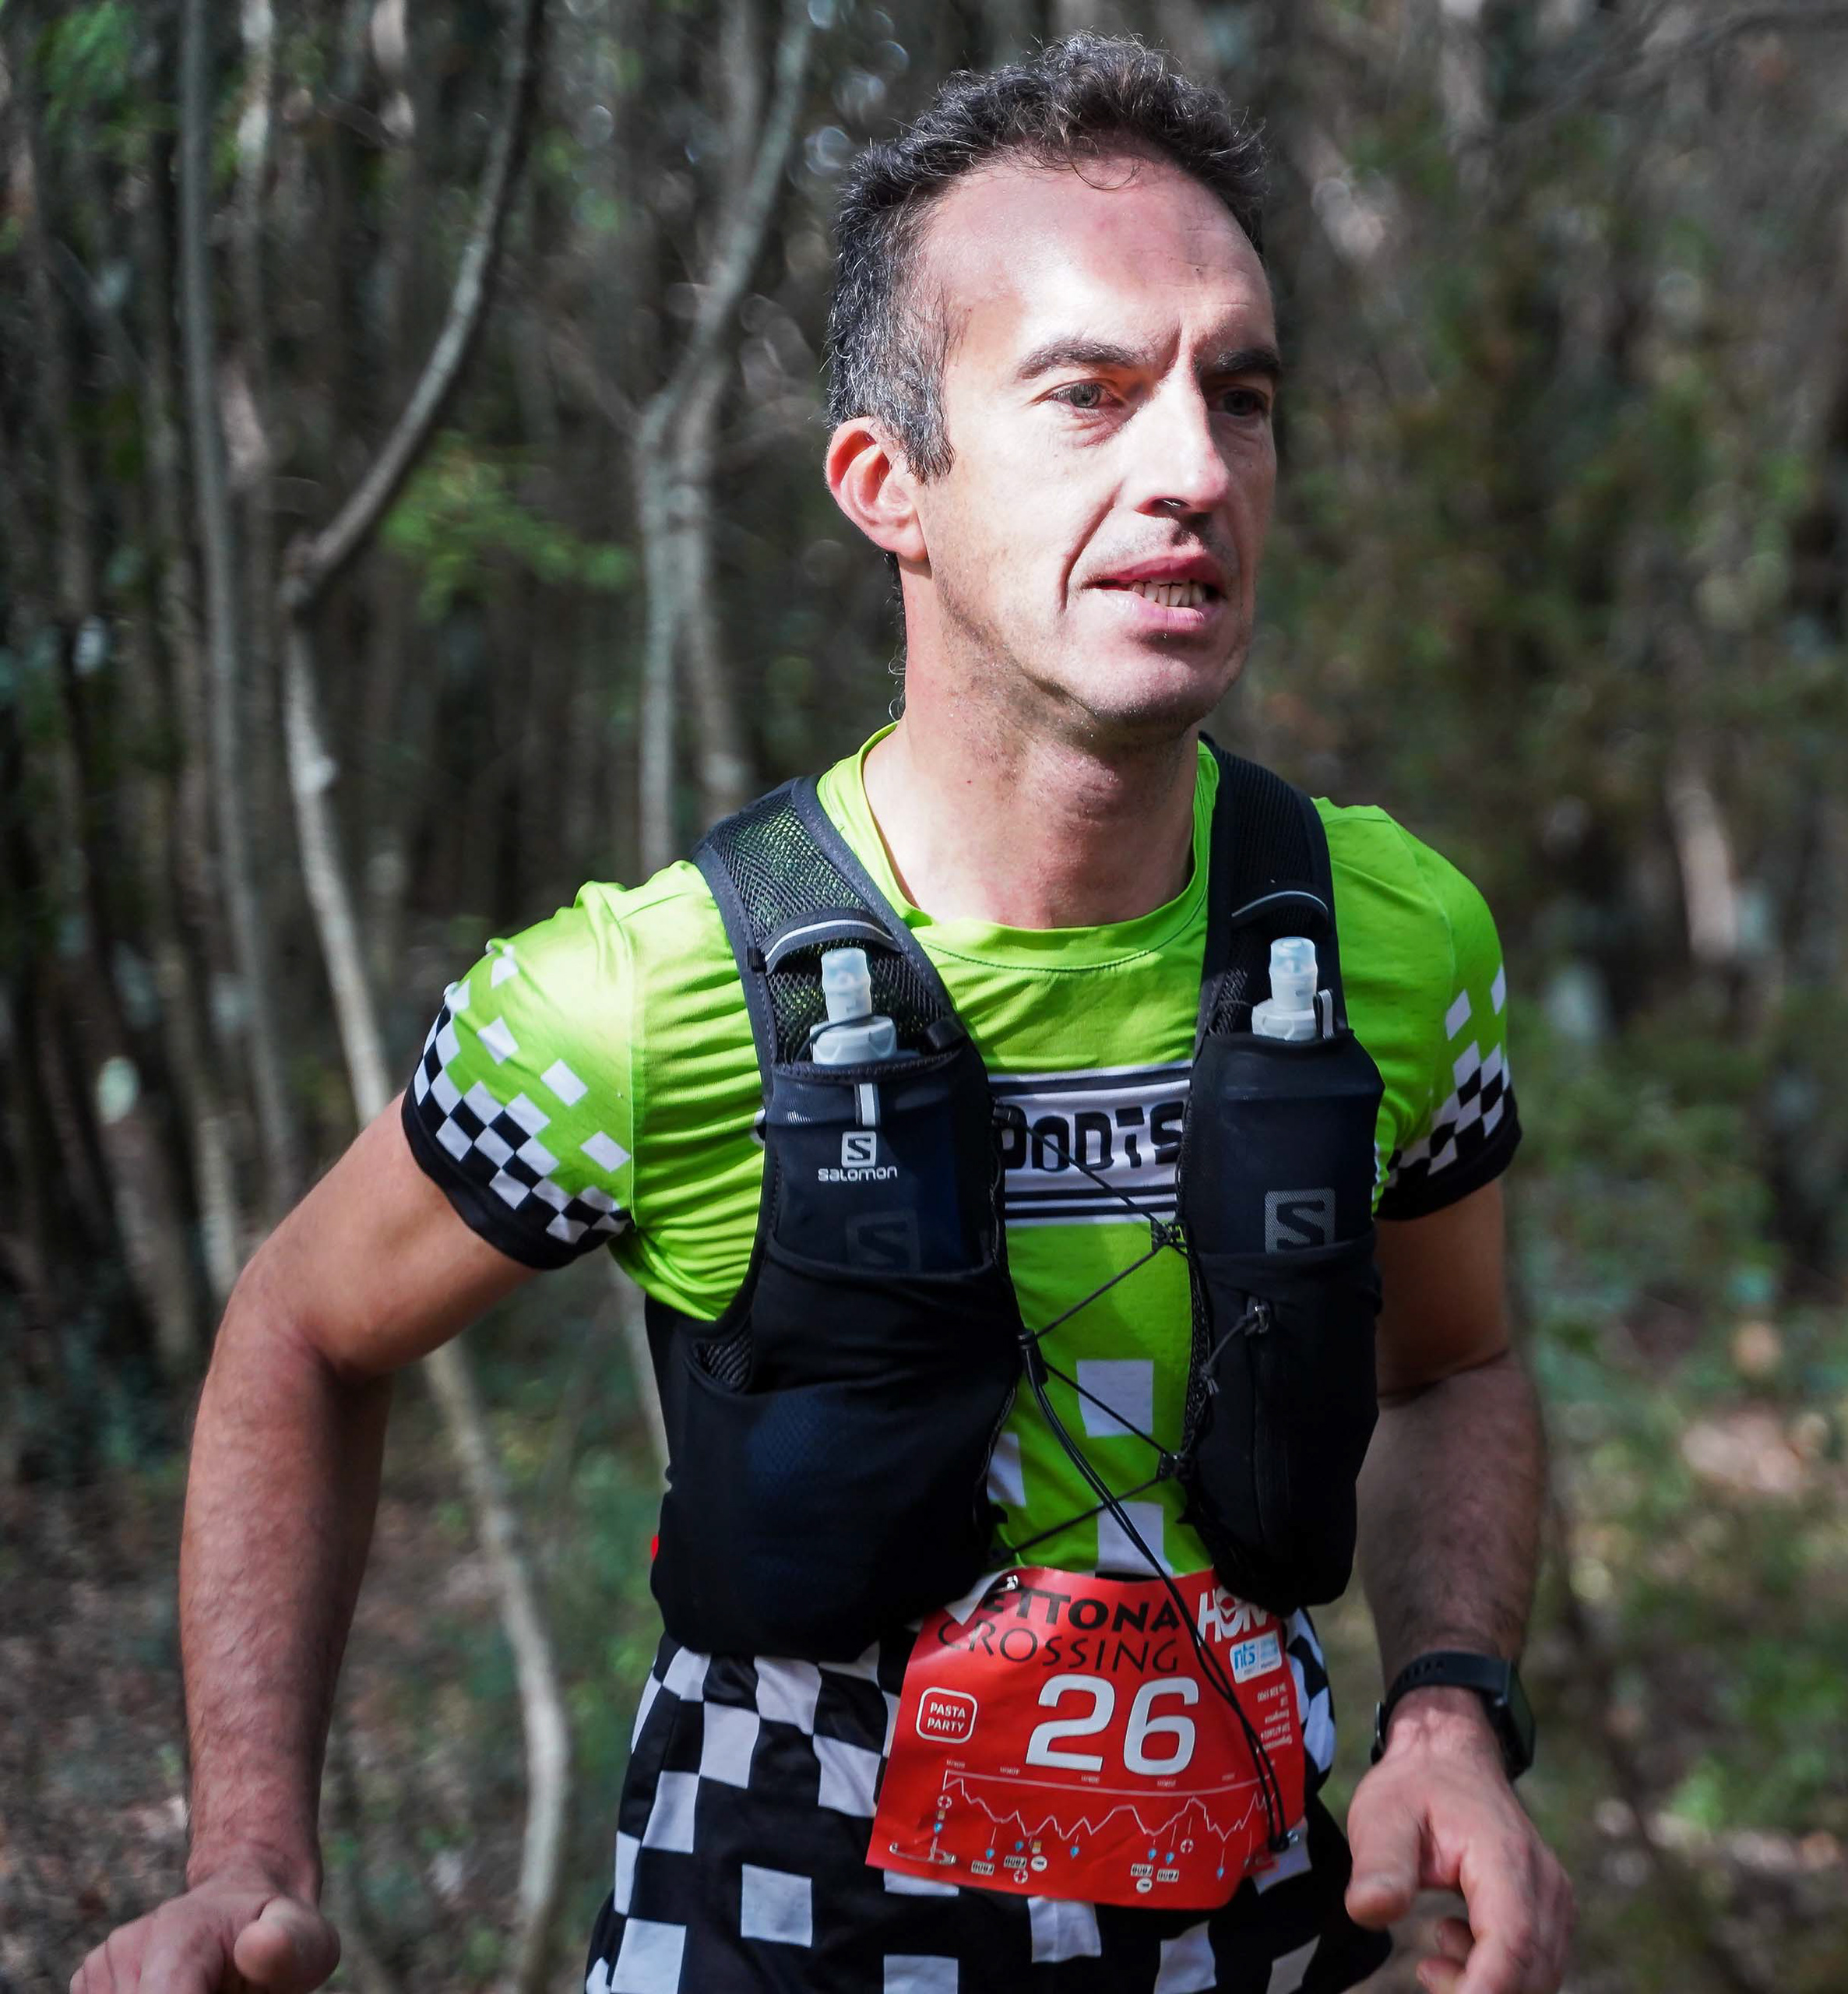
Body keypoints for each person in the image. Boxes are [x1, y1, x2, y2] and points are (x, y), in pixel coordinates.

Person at [74, 37, 1569, 1994]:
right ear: (889, 484)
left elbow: (1454, 1366)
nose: (1194, 470)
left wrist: (1447, 1712)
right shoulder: (644, 993)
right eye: (1089, 395)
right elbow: (297, 1325)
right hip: (767, 1937)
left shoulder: (1386, 940)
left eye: (1242, 394)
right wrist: (248, 1849)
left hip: (1260, 1943)